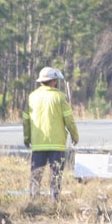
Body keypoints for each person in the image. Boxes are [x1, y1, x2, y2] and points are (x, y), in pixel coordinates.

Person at [23, 66, 79, 202]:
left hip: (38, 144)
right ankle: (55, 202)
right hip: (57, 144)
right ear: (53, 81)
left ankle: (33, 202)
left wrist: (27, 137)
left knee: (36, 175)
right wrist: (75, 135)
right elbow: (69, 119)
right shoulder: (60, 97)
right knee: (56, 175)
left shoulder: (32, 97)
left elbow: (26, 120)